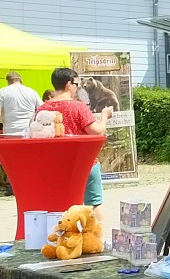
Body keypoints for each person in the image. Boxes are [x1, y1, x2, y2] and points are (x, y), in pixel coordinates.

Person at [36, 68, 114, 226]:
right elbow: (96, 131)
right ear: (68, 85)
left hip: (55, 164)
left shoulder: (42, 109)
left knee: (60, 205)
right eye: (76, 84)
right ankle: (96, 240)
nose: (78, 88)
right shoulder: (78, 107)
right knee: (94, 203)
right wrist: (105, 116)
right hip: (84, 163)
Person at [1, 71, 43, 136]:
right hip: (29, 132)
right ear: (21, 80)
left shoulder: (3, 92)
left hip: (10, 132)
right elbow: (42, 110)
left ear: (8, 81)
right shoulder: (32, 92)